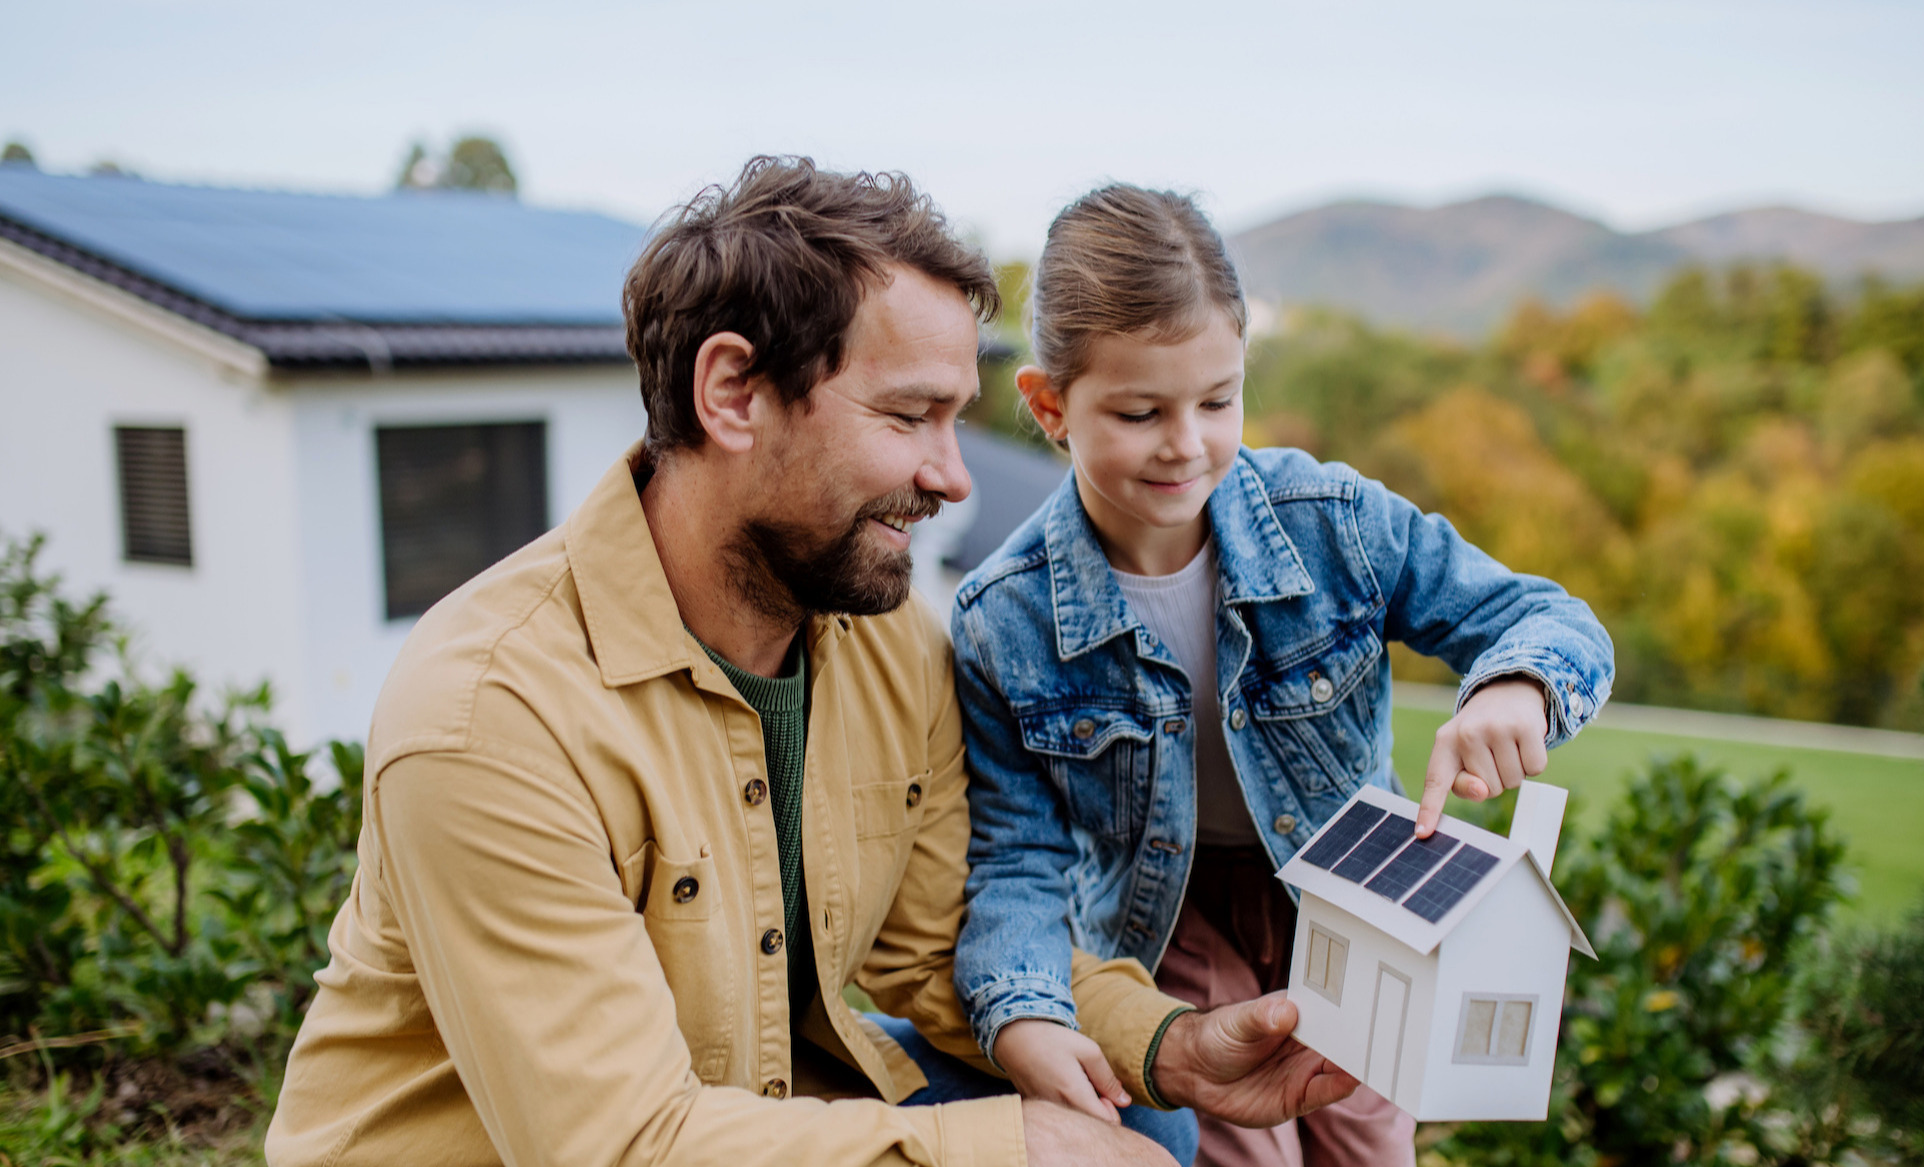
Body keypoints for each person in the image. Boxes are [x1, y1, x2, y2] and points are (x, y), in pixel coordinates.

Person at [265, 158, 1357, 1167]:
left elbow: (945, 944)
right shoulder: (492, 713)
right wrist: (1001, 1150)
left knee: (1131, 1105)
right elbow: (617, 1144)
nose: (951, 478)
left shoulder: (881, 640)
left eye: (954, 421)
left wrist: (1167, 1043)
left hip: (746, 1103)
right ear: (732, 393)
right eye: (907, 418)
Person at [948, 185, 1615, 1167]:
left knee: (1365, 1141)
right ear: (1049, 404)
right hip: (1162, 924)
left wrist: (1515, 685)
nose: (1187, 442)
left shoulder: (1331, 522)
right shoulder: (1003, 620)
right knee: (1242, 1150)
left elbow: (1542, 617)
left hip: (1349, 896)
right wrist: (1025, 1010)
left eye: (1217, 401)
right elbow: (1014, 858)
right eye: (1139, 412)